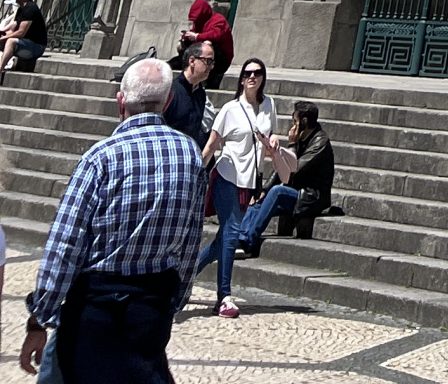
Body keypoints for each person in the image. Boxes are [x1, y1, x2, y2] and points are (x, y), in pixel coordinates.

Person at [19, 54, 203, 383]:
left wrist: (40, 317)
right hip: (152, 305)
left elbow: (65, 244)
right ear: (168, 102)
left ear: (121, 102)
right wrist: (177, 298)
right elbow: (191, 238)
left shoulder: (101, 158)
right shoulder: (190, 154)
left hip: (96, 307)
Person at [195, 58, 288, 316]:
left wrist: (274, 140)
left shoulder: (269, 105)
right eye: (247, 73)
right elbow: (212, 144)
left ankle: (186, 275)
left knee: (223, 239)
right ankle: (224, 297)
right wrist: (196, 173)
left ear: (263, 77)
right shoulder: (230, 109)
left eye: (257, 73)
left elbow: (272, 134)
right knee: (232, 232)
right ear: (241, 79)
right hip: (227, 176)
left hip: (250, 180)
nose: (252, 77)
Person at [237, 99, 333, 252]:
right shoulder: (303, 136)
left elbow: (294, 169)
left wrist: (292, 145)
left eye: (295, 121)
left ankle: (249, 240)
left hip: (311, 197)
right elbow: (281, 168)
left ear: (304, 121)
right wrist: (265, 189)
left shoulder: (320, 142)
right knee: (261, 196)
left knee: (278, 191)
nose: (292, 126)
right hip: (296, 192)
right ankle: (240, 239)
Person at [160, 40, 216, 142]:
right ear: (192, 61)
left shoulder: (200, 94)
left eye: (212, 63)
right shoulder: (171, 90)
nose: (211, 67)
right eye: (208, 61)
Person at [171, 0, 232, 86]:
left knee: (208, 44)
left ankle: (209, 78)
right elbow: (195, 34)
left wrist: (197, 36)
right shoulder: (199, 23)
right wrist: (186, 38)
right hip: (200, 55)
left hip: (220, 59)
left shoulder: (219, 20)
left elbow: (215, 35)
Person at [1, 0, 47, 74]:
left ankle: (0, 68)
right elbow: (12, 29)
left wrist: (3, 38)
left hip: (37, 47)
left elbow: (21, 33)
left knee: (11, 41)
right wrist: (2, 34)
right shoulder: (21, 9)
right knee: (5, 39)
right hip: (25, 44)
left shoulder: (31, 9)